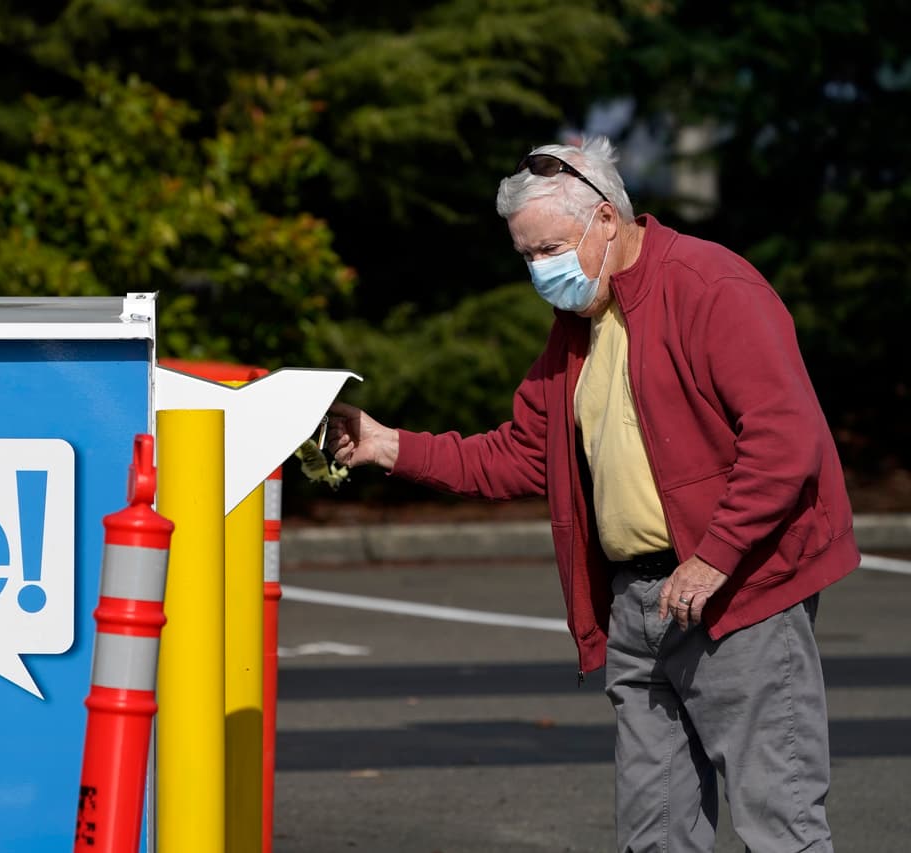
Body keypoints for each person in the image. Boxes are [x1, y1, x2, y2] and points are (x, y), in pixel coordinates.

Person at [327, 136, 859, 853]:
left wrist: (714, 556)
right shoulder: (579, 327)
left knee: (779, 825)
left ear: (608, 219)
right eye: (526, 256)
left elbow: (785, 437)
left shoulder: (713, 287)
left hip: (740, 596)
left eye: (550, 248)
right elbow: (520, 453)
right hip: (640, 607)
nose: (540, 271)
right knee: (653, 833)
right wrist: (389, 446)